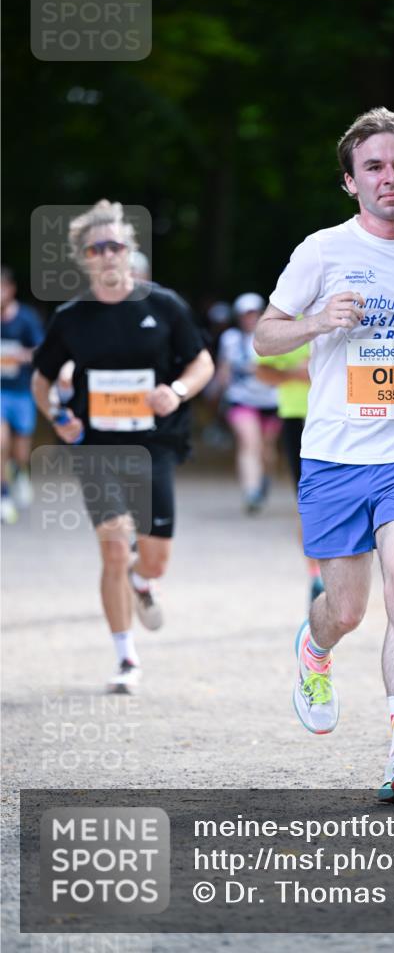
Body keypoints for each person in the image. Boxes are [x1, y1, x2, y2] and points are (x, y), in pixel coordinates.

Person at [254, 107, 394, 804]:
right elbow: (264, 336)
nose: (390, 177)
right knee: (346, 609)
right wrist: (319, 320)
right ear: (351, 182)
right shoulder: (320, 251)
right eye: (374, 166)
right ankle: (315, 649)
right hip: (334, 455)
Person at [31, 200, 214, 692]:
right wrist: (59, 419)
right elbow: (41, 380)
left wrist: (174, 392)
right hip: (97, 449)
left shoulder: (163, 305)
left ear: (129, 251)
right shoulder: (71, 319)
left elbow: (202, 365)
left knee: (152, 560)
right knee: (113, 547)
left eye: (117, 245)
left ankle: (143, 580)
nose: (109, 255)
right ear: (84, 257)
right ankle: (126, 659)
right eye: (98, 247)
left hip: (154, 445)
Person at [255, 341, 324, 601]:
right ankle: (316, 574)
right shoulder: (290, 317)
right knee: (308, 500)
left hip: (343, 417)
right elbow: (261, 370)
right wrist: (294, 374)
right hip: (297, 417)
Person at [216, 293, 281, 513]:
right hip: (241, 399)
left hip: (271, 400)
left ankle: (264, 479)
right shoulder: (230, 339)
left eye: (254, 313)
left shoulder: (275, 336)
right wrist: (220, 391)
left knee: (267, 450)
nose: (250, 318)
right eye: (246, 314)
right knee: (249, 443)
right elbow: (223, 369)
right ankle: (251, 491)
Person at [1, 266, 44, 523]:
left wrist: (21, 357)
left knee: (19, 451)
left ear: (10, 290)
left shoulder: (26, 318)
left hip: (21, 391)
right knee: (0, 443)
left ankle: (19, 472)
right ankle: (3, 495)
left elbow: (41, 350)